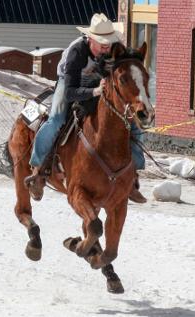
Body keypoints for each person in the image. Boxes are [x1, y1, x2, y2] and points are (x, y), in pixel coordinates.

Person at [26, 13, 147, 203]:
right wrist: (94, 92)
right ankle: (38, 168)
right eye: (102, 43)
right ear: (91, 39)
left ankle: (133, 177)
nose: (106, 47)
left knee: (134, 125)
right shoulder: (77, 52)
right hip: (70, 84)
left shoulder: (113, 50)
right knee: (56, 119)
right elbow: (70, 92)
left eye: (108, 42)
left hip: (99, 84)